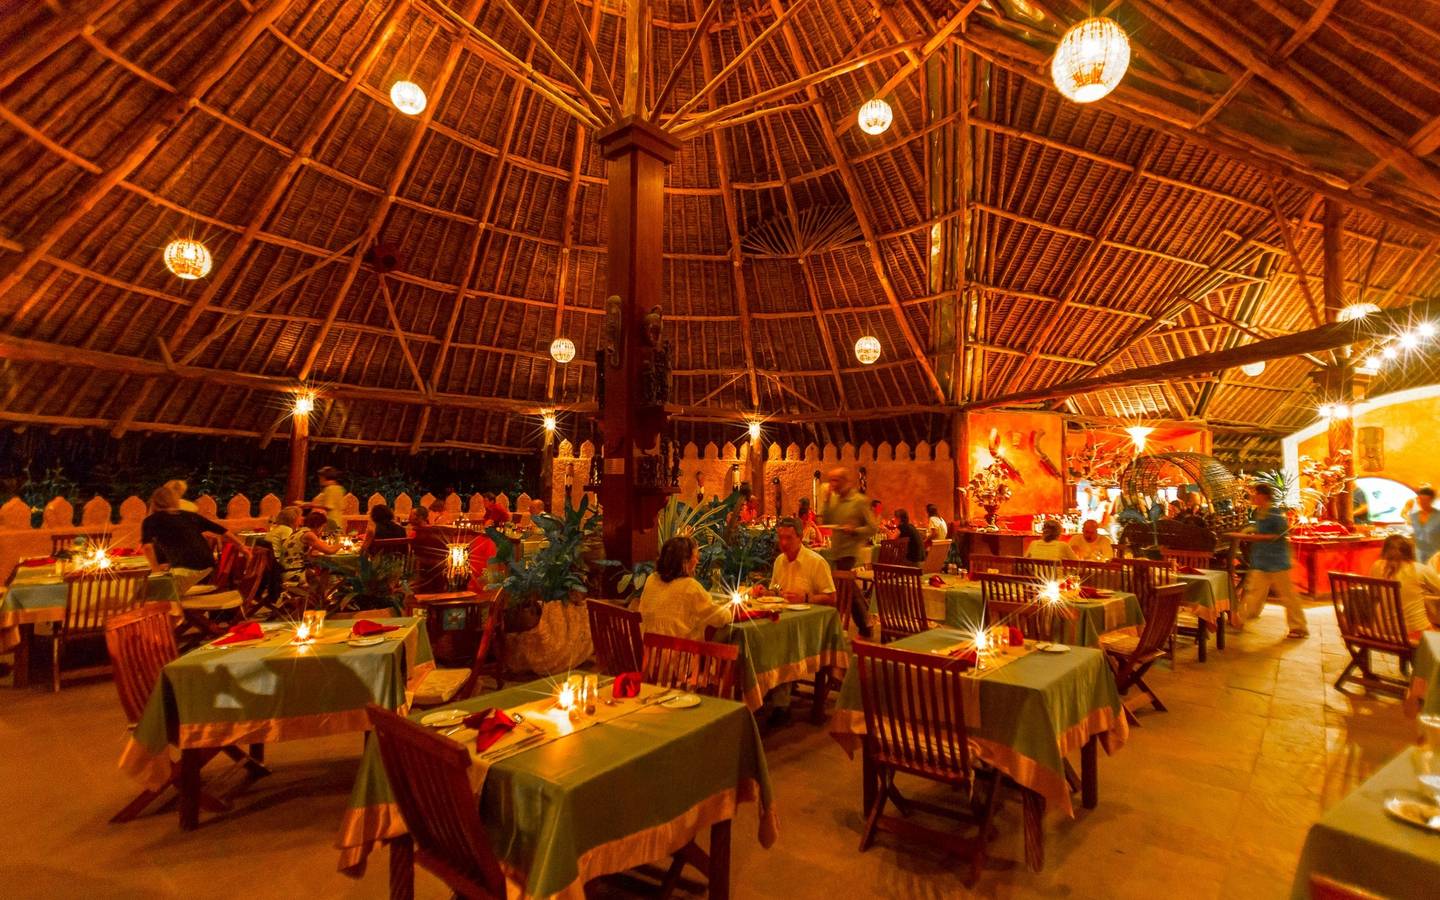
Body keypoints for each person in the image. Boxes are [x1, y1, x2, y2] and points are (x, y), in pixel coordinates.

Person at [1236, 482, 1307, 639]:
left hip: (1277, 560)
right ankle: (1240, 619)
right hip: (1261, 560)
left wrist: (1246, 537)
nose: (1252, 496)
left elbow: (1278, 536)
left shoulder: (1275, 514)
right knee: (1253, 591)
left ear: (1264, 496)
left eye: (1255, 493)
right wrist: (1250, 531)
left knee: (1287, 594)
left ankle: (1298, 627)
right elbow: (1259, 529)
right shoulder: (1258, 513)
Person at [635, 536, 735, 640]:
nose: (697, 561)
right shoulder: (689, 587)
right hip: (673, 653)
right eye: (695, 556)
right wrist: (730, 611)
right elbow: (719, 618)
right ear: (684, 561)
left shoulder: (652, 579)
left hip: (645, 650)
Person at [141, 486, 249, 576]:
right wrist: (241, 546)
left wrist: (155, 571)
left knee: (148, 591)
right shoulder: (189, 516)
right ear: (174, 501)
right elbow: (222, 530)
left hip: (186, 570)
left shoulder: (151, 520)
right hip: (208, 567)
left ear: (154, 502)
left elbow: (147, 547)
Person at [822, 468, 879, 637]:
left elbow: (872, 528)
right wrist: (826, 501)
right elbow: (827, 521)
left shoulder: (859, 501)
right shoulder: (835, 501)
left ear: (846, 481)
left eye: (836, 480)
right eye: (830, 480)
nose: (832, 485)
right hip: (836, 550)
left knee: (846, 587)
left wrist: (854, 530)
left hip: (850, 551)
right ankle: (865, 622)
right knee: (848, 588)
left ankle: (861, 626)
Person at [1369, 535, 1440, 633]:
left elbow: (1375, 594)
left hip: (1381, 632)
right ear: (1409, 551)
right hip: (1414, 633)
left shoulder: (1376, 566)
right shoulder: (1419, 569)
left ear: (1385, 551)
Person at [768, 518, 836, 606]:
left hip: (809, 617)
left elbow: (831, 598)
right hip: (783, 614)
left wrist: (806, 598)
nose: (784, 543)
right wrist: (766, 593)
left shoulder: (816, 562)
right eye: (781, 538)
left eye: (789, 538)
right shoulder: (779, 561)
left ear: (800, 537)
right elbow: (776, 590)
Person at [310, 466, 346, 534]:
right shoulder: (339, 488)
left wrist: (309, 505)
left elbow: (329, 506)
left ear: (324, 478)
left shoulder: (330, 489)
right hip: (338, 519)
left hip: (330, 520)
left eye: (320, 478)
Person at [1409, 486, 1440, 564]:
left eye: (1426, 500)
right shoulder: (1413, 516)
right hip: (1418, 553)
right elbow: (1415, 534)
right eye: (1421, 499)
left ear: (1432, 500)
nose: (1423, 503)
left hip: (1435, 554)